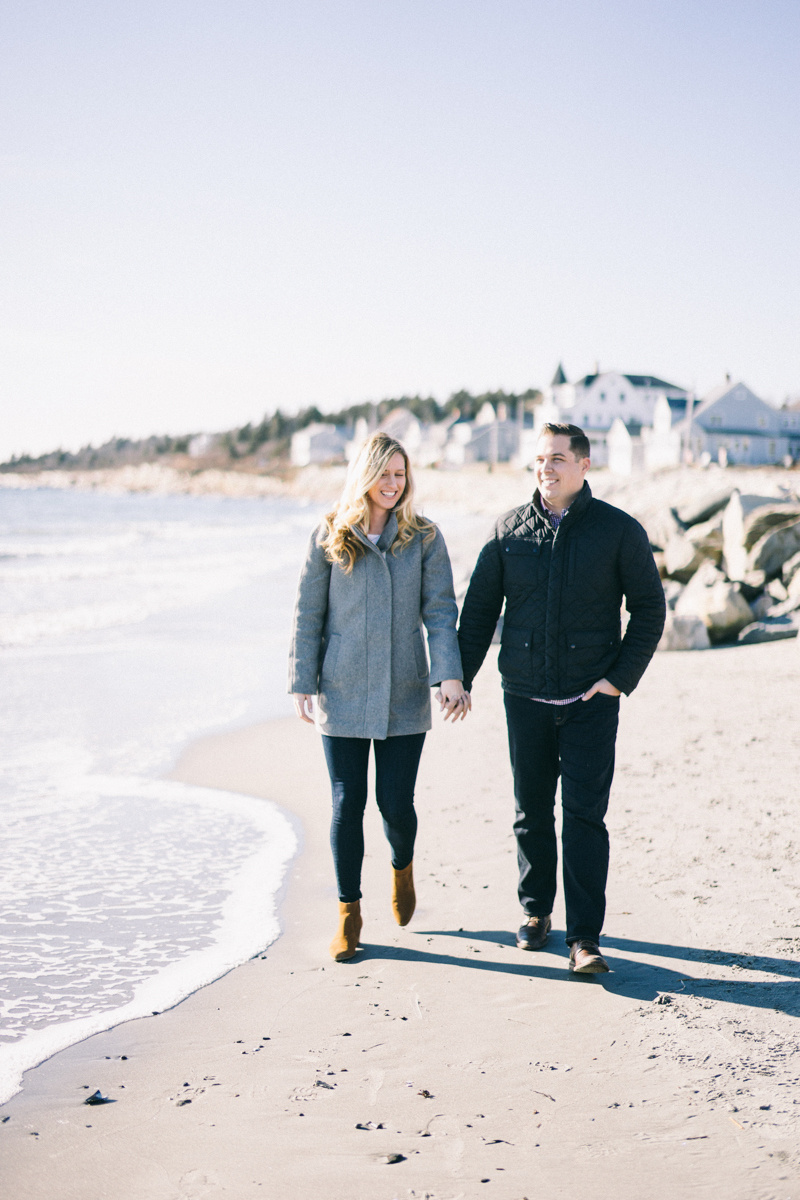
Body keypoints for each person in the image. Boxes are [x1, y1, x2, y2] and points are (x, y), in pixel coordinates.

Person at [457, 423, 665, 973]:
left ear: (583, 465)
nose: (545, 468)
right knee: (530, 813)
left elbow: (649, 609)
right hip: (524, 696)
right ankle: (534, 914)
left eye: (556, 459)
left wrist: (619, 679)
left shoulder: (618, 531)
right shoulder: (508, 530)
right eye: (539, 460)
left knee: (584, 819)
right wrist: (460, 677)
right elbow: (478, 613)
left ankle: (584, 939)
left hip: (590, 699)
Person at [289, 431, 469, 963]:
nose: (393, 484)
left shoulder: (424, 537)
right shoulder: (329, 534)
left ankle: (402, 866)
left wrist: (449, 676)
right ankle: (349, 915)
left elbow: (440, 612)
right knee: (348, 803)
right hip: (341, 690)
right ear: (364, 476)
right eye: (384, 474)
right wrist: (302, 678)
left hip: (404, 689)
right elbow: (308, 613)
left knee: (395, 803)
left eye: (400, 474)